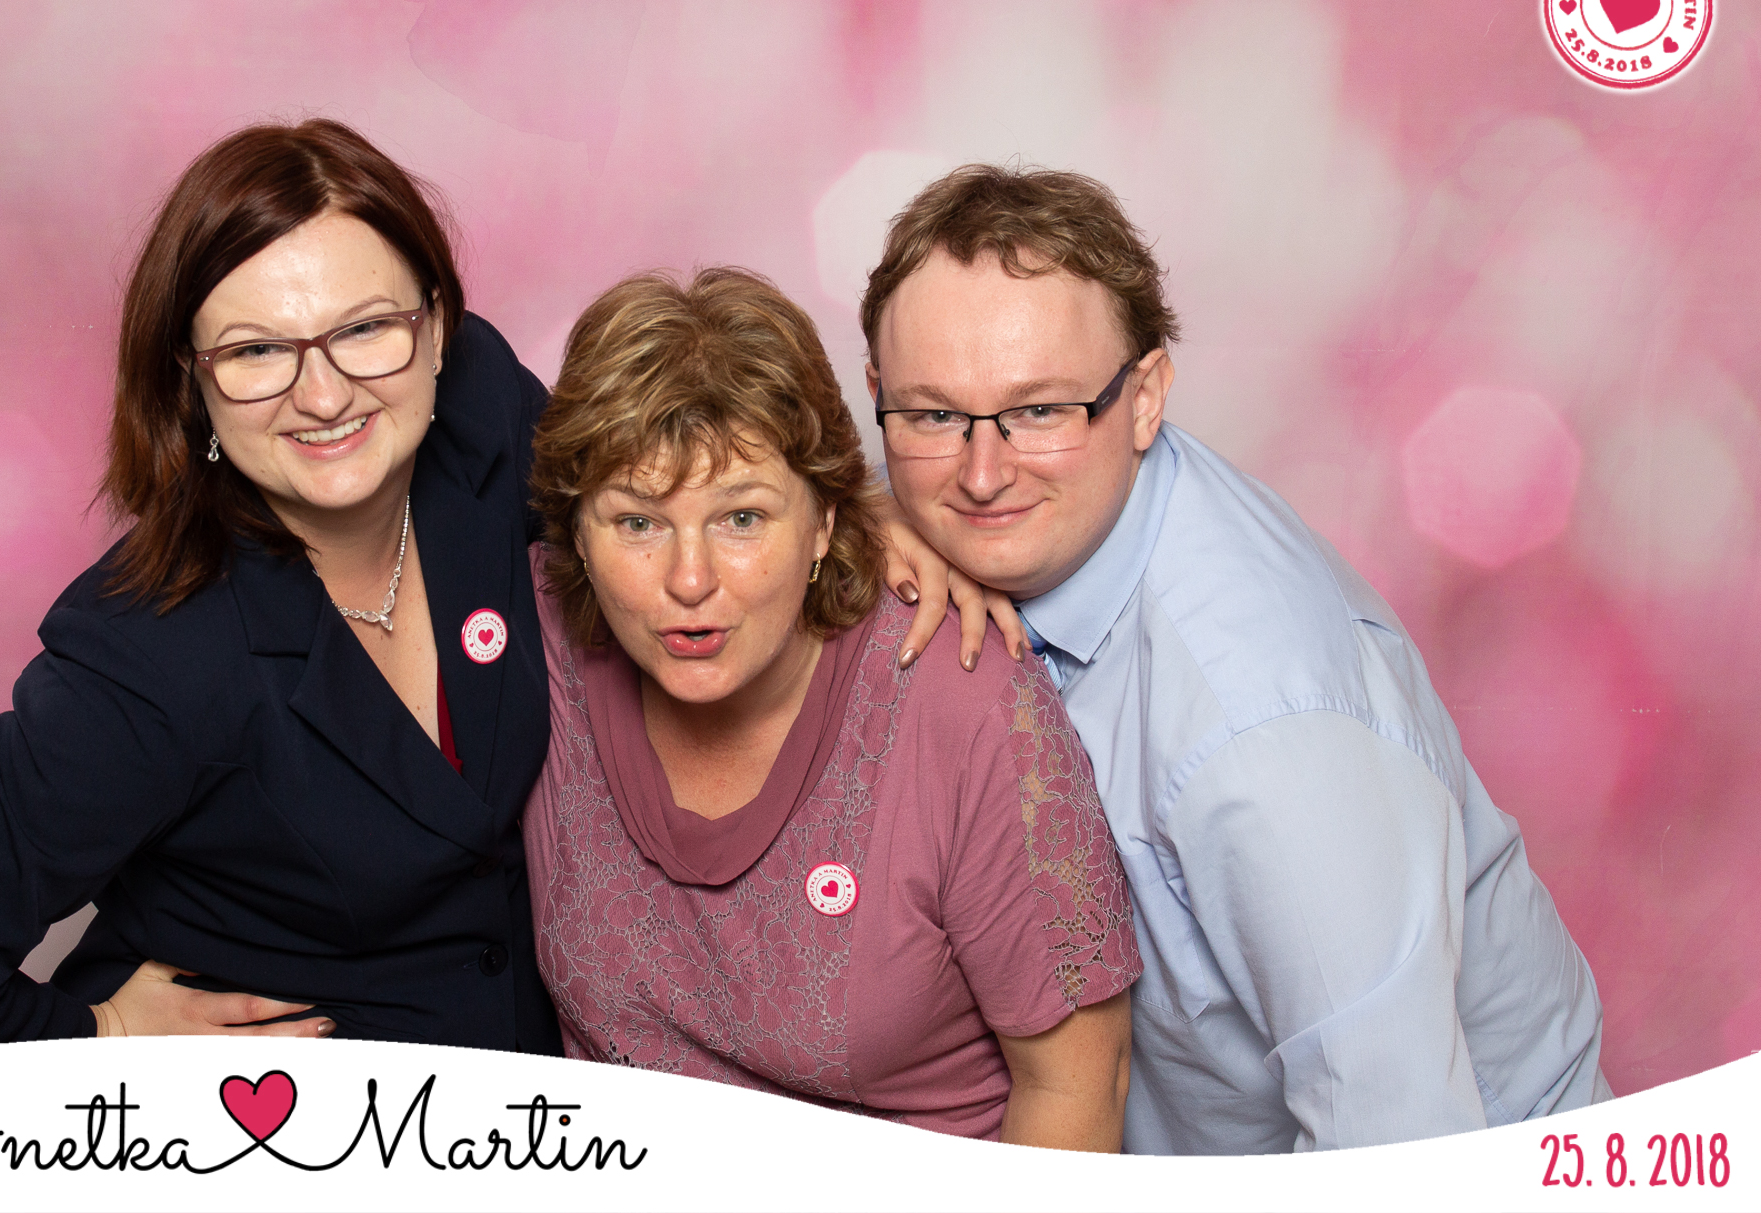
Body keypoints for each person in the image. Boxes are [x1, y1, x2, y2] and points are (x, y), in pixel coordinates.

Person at [861, 164, 1611, 1153]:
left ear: (1143, 398)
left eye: (1039, 411)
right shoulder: (1027, 515)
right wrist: (863, 513)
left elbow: (1393, 1139)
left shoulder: (1258, 734)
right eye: (932, 416)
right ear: (878, 398)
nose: (982, 471)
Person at [0, 119, 563, 1055]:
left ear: (435, 331)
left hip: (539, 1110)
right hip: (292, 1128)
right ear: (191, 381)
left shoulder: (488, 414)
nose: (324, 395)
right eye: (256, 351)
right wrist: (97, 1032)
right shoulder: (150, 653)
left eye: (363, 328)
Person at [520, 266, 1142, 1148]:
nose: (689, 579)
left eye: (743, 518)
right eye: (638, 523)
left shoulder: (965, 705)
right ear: (576, 534)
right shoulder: (537, 638)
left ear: (822, 523)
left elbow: (1079, 1084)